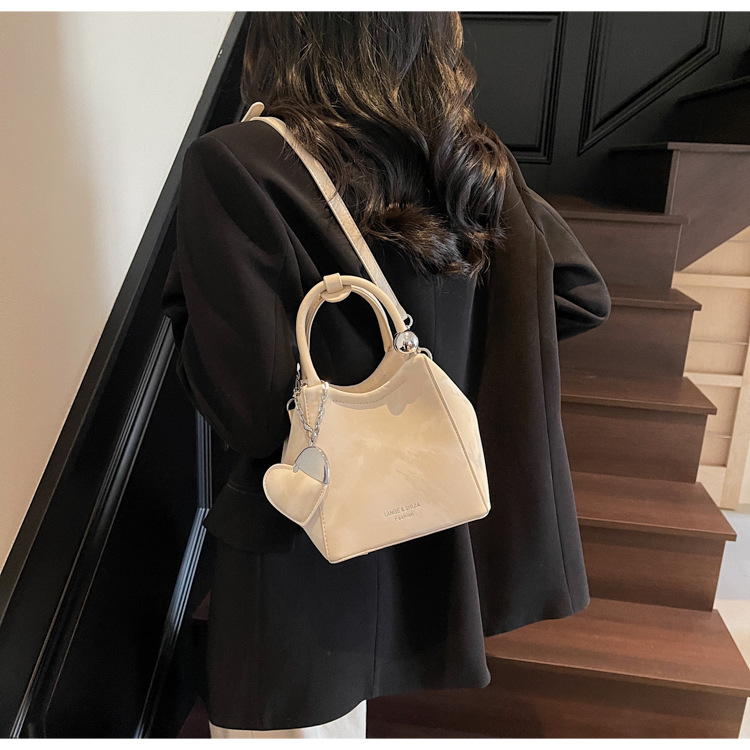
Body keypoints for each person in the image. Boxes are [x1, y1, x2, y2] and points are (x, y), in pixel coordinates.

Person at [160, 11, 611, 739]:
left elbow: (250, 411)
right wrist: (450, 362)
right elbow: (579, 295)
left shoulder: (240, 160)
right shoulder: (472, 158)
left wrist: (191, 303)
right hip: (426, 523)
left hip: (302, 568)